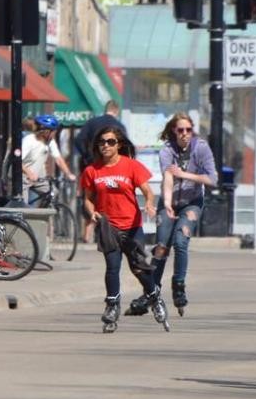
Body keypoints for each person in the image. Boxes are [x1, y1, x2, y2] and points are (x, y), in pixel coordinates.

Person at [128, 113, 217, 317]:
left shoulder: (201, 147)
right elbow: (168, 177)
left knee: (180, 241)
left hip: (192, 203)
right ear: (173, 131)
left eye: (188, 130)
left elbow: (212, 179)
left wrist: (184, 174)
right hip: (170, 202)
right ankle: (150, 292)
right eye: (180, 130)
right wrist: (167, 204)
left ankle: (178, 285)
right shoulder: (167, 151)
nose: (185, 134)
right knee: (160, 248)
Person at [80, 125, 166, 333]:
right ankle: (112, 307)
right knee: (112, 267)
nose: (106, 146)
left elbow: (148, 190)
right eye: (102, 142)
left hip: (132, 225)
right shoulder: (92, 171)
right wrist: (91, 213)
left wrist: (149, 203)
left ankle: (154, 296)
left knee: (138, 267)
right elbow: (88, 200)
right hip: (108, 226)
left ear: (118, 144)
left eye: (110, 142)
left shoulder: (131, 166)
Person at [21, 114, 74, 202]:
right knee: (23, 206)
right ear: (46, 132)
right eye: (53, 131)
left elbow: (58, 159)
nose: (55, 134)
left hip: (36, 177)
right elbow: (17, 160)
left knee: (52, 192)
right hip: (23, 177)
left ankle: (41, 214)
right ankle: (29, 213)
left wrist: (68, 174)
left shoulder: (50, 142)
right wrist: (29, 173)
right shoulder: (29, 140)